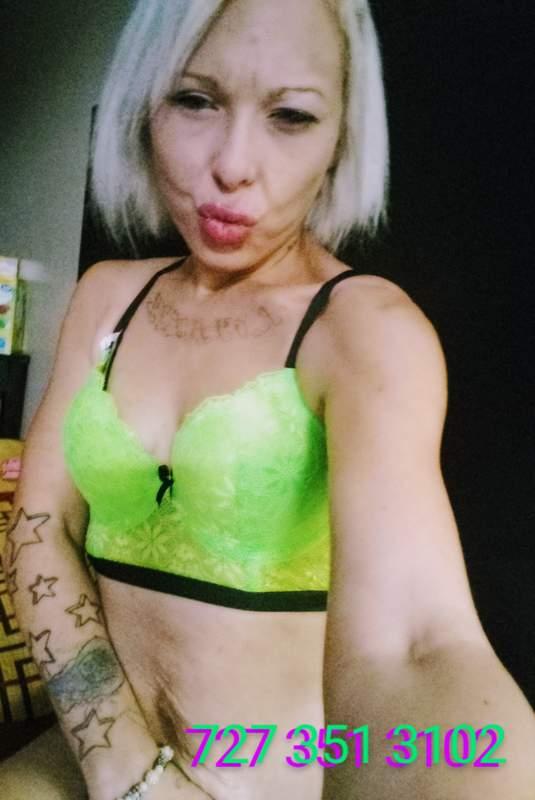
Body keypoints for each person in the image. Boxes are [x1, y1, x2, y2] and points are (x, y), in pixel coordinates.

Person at [1, 1, 534, 799]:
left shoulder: (364, 329)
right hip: (97, 752)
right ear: (144, 104)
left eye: (290, 116)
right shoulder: (106, 296)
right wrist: (127, 771)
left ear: (340, 137)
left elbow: (416, 644)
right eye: (194, 100)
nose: (232, 164)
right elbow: (41, 528)